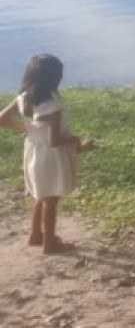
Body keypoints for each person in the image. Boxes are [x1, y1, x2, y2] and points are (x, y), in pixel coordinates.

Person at [0, 54, 93, 254]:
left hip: (33, 150)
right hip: (50, 157)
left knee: (40, 194)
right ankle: (50, 244)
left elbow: (1, 119)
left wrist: (27, 129)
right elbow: (55, 141)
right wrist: (77, 141)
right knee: (51, 199)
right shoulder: (52, 106)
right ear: (53, 79)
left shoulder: (23, 97)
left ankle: (36, 235)